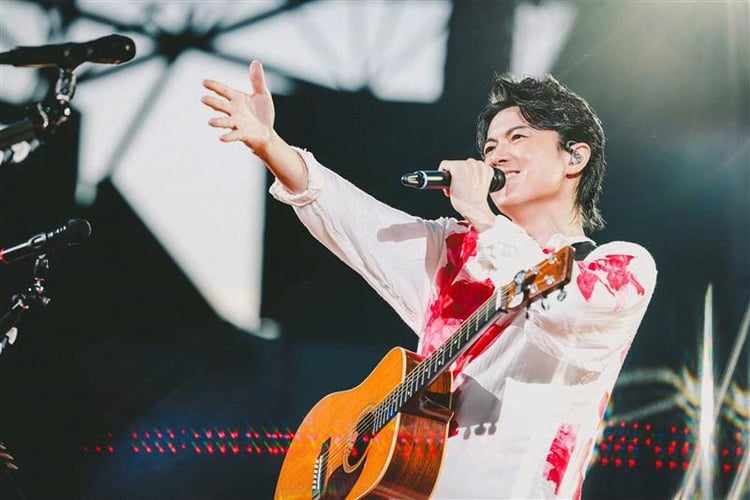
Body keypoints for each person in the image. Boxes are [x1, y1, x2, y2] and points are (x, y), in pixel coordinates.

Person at [202, 60, 656, 499]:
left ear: (574, 157)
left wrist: (482, 217)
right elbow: (354, 220)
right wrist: (270, 145)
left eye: (518, 137)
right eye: (490, 147)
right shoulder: (455, 251)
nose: (497, 154)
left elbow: (566, 316)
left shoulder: (619, 268)